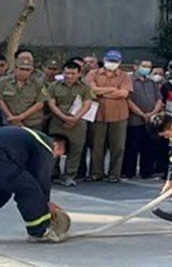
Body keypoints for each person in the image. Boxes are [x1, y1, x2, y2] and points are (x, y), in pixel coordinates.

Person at [86, 49, 132, 183]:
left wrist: (102, 93)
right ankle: (96, 173)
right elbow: (91, 90)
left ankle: (114, 174)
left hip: (119, 115)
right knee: (96, 145)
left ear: (120, 62)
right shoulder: (93, 73)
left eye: (115, 61)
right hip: (98, 115)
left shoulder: (124, 76)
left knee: (118, 146)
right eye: (110, 61)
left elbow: (124, 94)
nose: (112, 63)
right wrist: (112, 90)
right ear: (104, 60)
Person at [46, 60, 95, 186]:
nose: (70, 76)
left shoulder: (85, 87)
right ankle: (51, 173)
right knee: (54, 148)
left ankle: (69, 175)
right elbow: (52, 104)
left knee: (76, 149)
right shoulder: (53, 86)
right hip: (58, 121)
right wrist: (64, 117)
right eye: (67, 73)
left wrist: (75, 119)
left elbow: (87, 104)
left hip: (78, 123)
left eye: (73, 74)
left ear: (79, 74)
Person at [123, 59, 163, 179]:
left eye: (149, 67)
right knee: (132, 146)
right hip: (135, 119)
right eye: (144, 66)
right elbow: (128, 100)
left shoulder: (152, 82)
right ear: (136, 66)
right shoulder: (129, 81)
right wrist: (142, 114)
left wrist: (152, 114)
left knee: (149, 146)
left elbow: (159, 99)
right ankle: (128, 171)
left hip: (151, 119)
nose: (147, 69)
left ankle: (147, 171)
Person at [0, 54, 47, 130]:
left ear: (32, 70)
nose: (24, 72)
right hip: (9, 122)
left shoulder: (38, 83)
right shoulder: (3, 82)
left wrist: (21, 117)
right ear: (15, 68)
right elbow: (0, 100)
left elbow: (40, 104)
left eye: (27, 70)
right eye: (21, 69)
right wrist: (11, 117)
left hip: (32, 123)